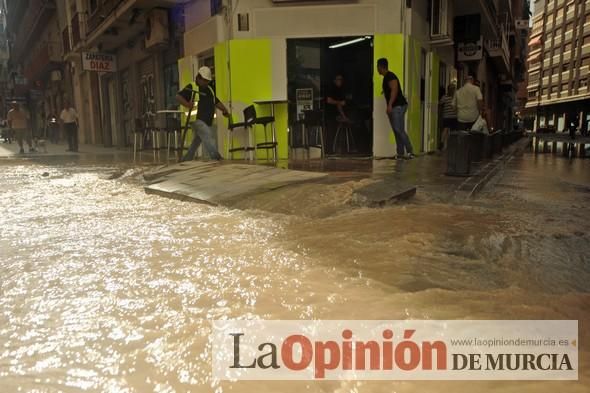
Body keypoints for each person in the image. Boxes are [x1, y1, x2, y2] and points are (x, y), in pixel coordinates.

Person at [176, 66, 229, 161]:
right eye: (204, 80)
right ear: (198, 77)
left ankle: (186, 158)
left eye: (207, 81)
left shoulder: (210, 89)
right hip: (197, 120)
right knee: (208, 136)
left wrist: (224, 110)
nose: (206, 83)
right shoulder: (192, 86)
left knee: (197, 140)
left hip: (207, 120)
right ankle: (216, 157)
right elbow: (178, 96)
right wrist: (187, 104)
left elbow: (215, 101)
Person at [377, 58, 414, 159]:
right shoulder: (387, 77)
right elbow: (391, 90)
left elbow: (394, 89)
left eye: (378, 67)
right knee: (396, 130)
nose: (377, 70)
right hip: (396, 106)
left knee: (399, 129)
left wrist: (389, 104)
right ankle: (400, 153)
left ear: (380, 66)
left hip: (398, 106)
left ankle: (410, 151)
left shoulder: (390, 76)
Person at [439, 83, 457, 150]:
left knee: (447, 130)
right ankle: (444, 143)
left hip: (449, 116)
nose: (452, 90)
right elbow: (440, 105)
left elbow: (440, 104)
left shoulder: (445, 97)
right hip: (451, 116)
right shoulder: (454, 97)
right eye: (452, 89)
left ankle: (445, 143)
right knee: (448, 131)